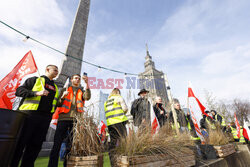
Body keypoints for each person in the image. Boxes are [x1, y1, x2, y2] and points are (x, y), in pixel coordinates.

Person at [11, 65, 59, 167]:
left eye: (57, 70)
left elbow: (55, 103)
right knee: (20, 143)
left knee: (35, 146)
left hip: (45, 119)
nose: (57, 72)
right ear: (47, 69)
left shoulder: (55, 87)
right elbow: (19, 91)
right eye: (55, 70)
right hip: (29, 115)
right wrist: (36, 93)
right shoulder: (35, 79)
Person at [48, 74, 91, 167]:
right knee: (57, 144)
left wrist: (87, 83)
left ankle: (67, 165)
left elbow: (87, 97)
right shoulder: (65, 89)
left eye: (79, 79)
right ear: (71, 80)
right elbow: (58, 104)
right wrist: (63, 97)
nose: (77, 80)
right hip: (63, 119)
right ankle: (52, 165)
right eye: (76, 78)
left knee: (70, 146)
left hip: (75, 121)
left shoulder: (81, 91)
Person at [104, 88, 128, 166]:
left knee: (113, 143)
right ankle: (123, 160)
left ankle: (112, 161)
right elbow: (125, 109)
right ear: (118, 92)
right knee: (123, 140)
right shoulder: (118, 97)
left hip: (110, 124)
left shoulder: (106, 102)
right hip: (119, 121)